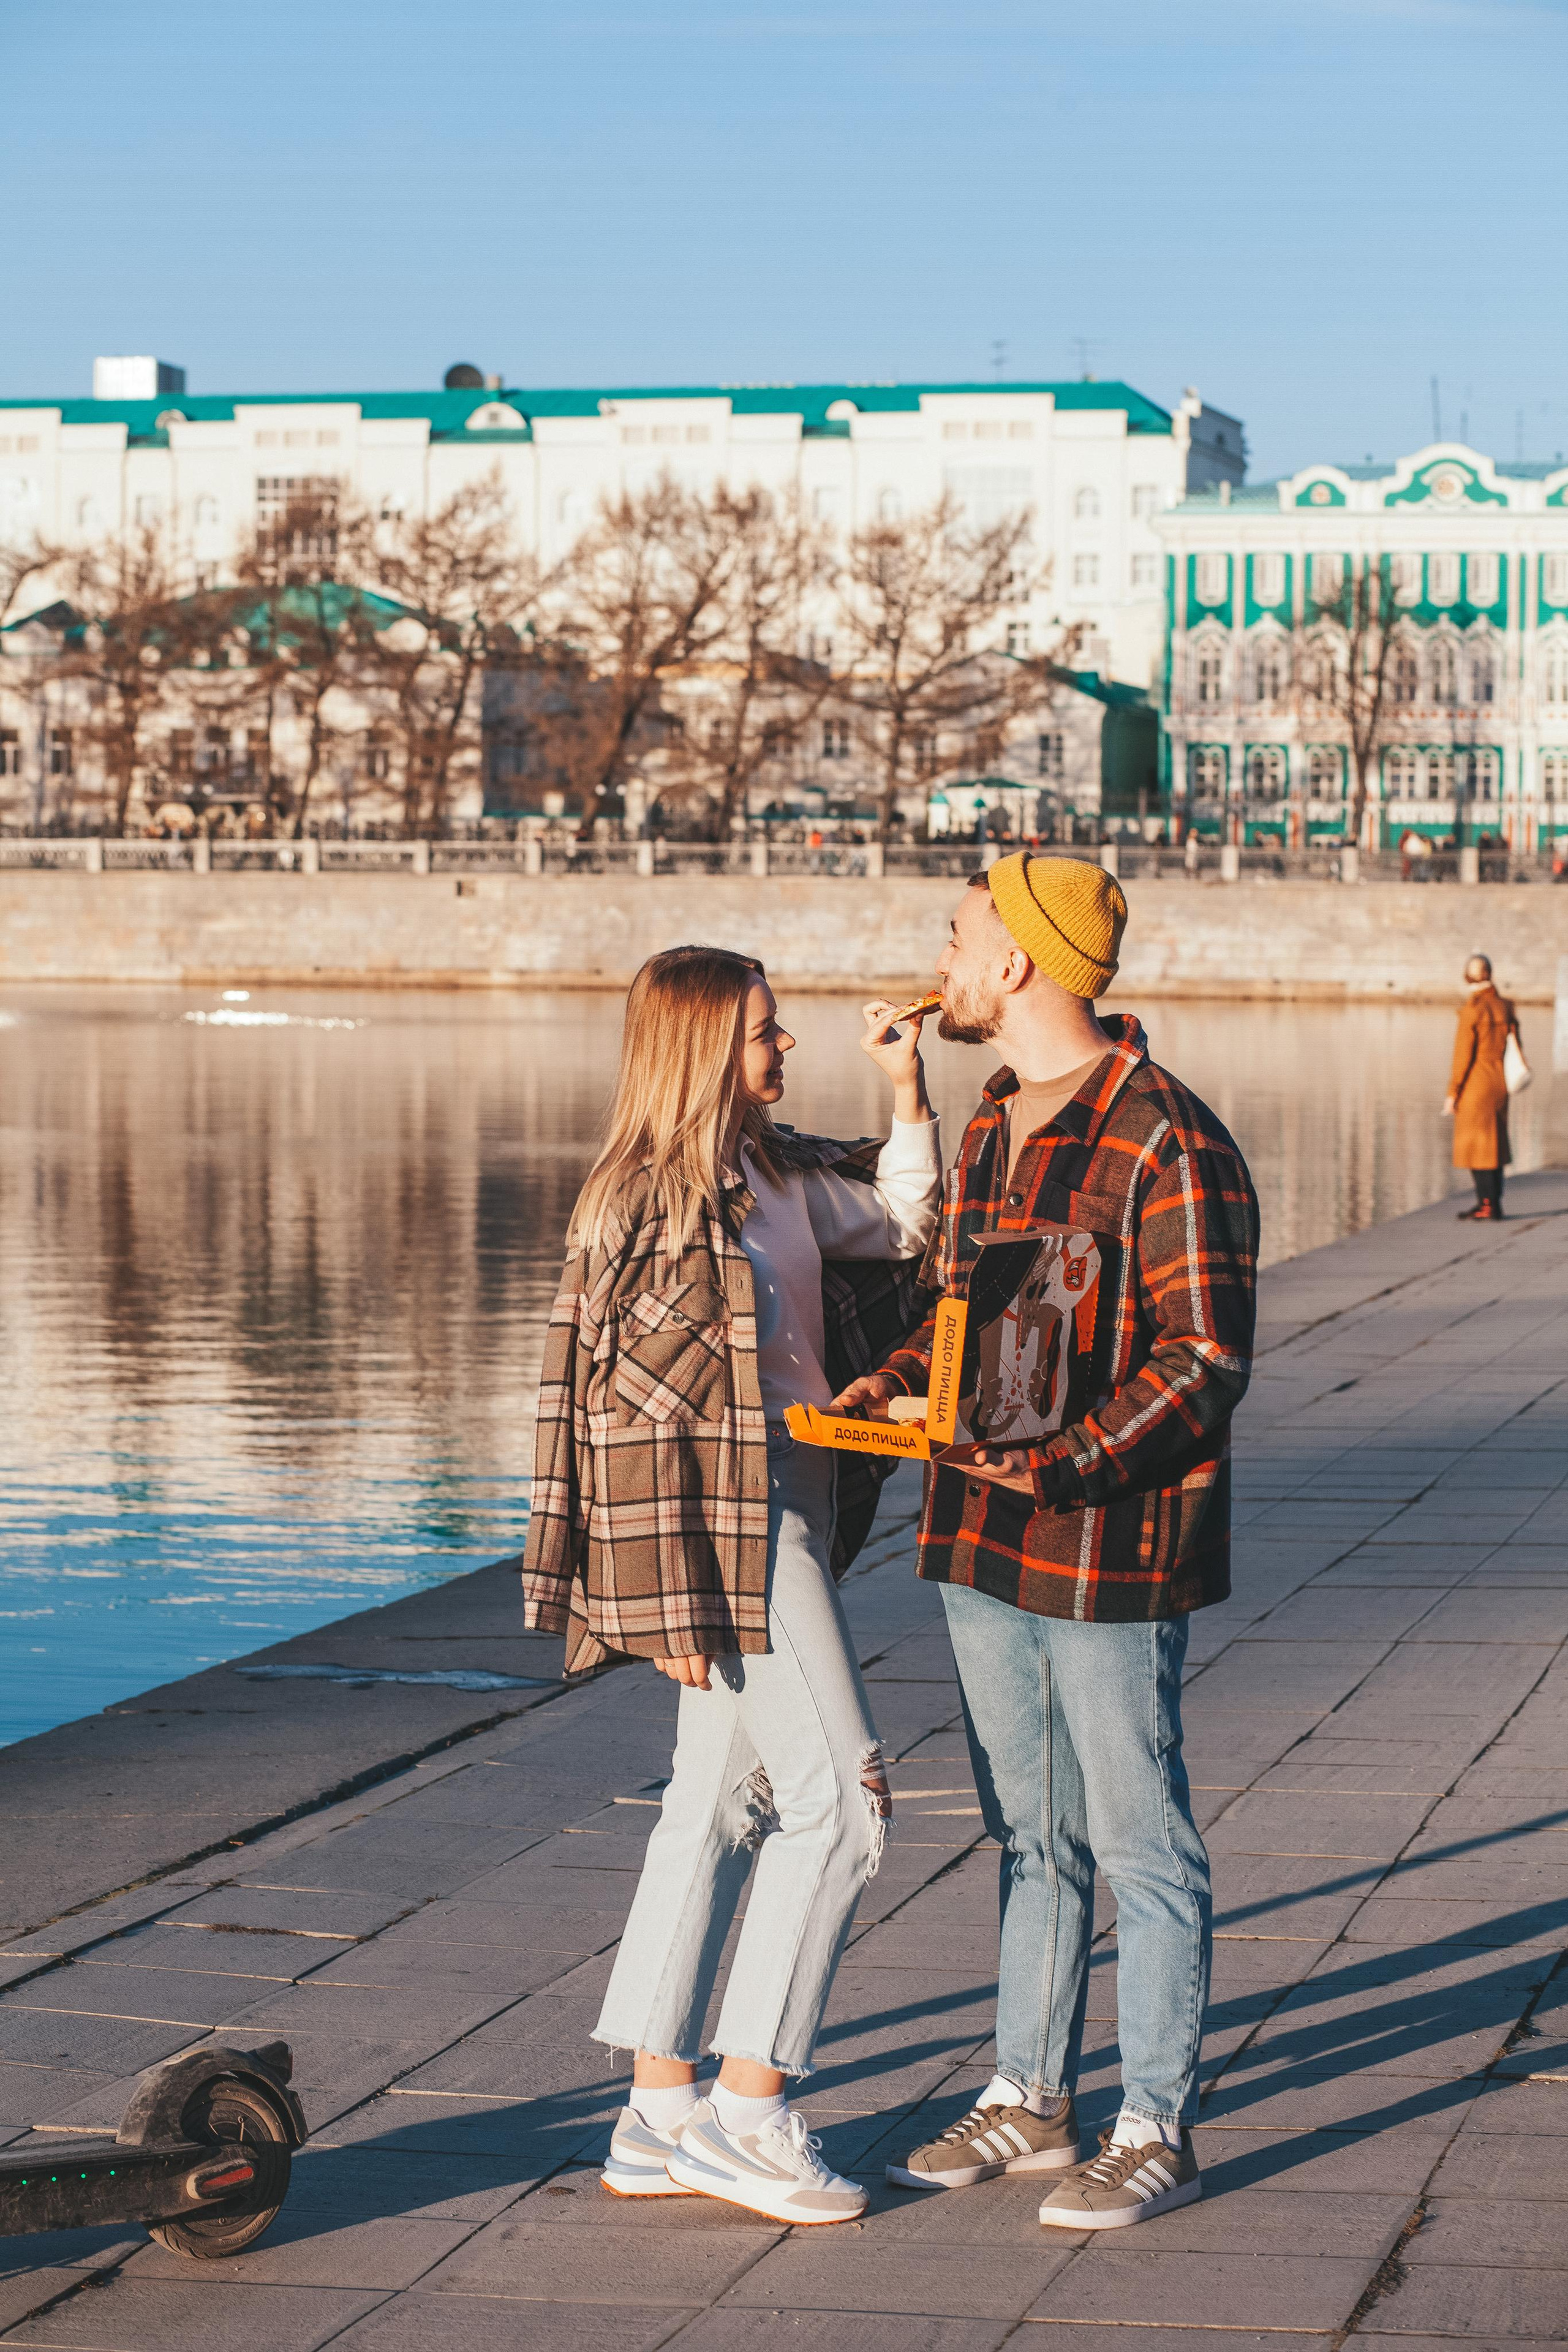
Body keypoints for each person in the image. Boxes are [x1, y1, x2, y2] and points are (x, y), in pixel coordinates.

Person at [836, 854, 1259, 2231]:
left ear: (1016, 961)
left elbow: (1203, 1362)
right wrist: (895, 1379)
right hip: (974, 1532)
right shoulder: (990, 1121)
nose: (942, 961)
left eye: (958, 938)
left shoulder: (1166, 1138)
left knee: (1139, 1838)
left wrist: (1062, 1463)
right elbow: (959, 1309)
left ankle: (1153, 2122)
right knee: (1028, 1833)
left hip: (1104, 1544)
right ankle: (1027, 2091)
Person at [520, 945, 942, 2225]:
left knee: (707, 1814)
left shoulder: (773, 1173)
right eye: (764, 1030)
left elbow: (909, 1227)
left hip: (798, 1504)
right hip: (734, 1533)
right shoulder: (641, 1205)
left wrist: (908, 1093)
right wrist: (658, 1602)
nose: (785, 1045)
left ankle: (656, 2112)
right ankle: (748, 2116)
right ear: (705, 1045)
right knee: (847, 1809)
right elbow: (614, 1421)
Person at [1446, 954, 1522, 1222]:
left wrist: (1453, 1093)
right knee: (1496, 1146)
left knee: (1476, 1147)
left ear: (1469, 977)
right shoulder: (1505, 1007)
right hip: (1499, 1081)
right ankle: (1494, 1204)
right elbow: (1516, 1047)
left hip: (1476, 1083)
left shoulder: (1473, 1010)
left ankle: (1486, 1204)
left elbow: (1462, 1056)